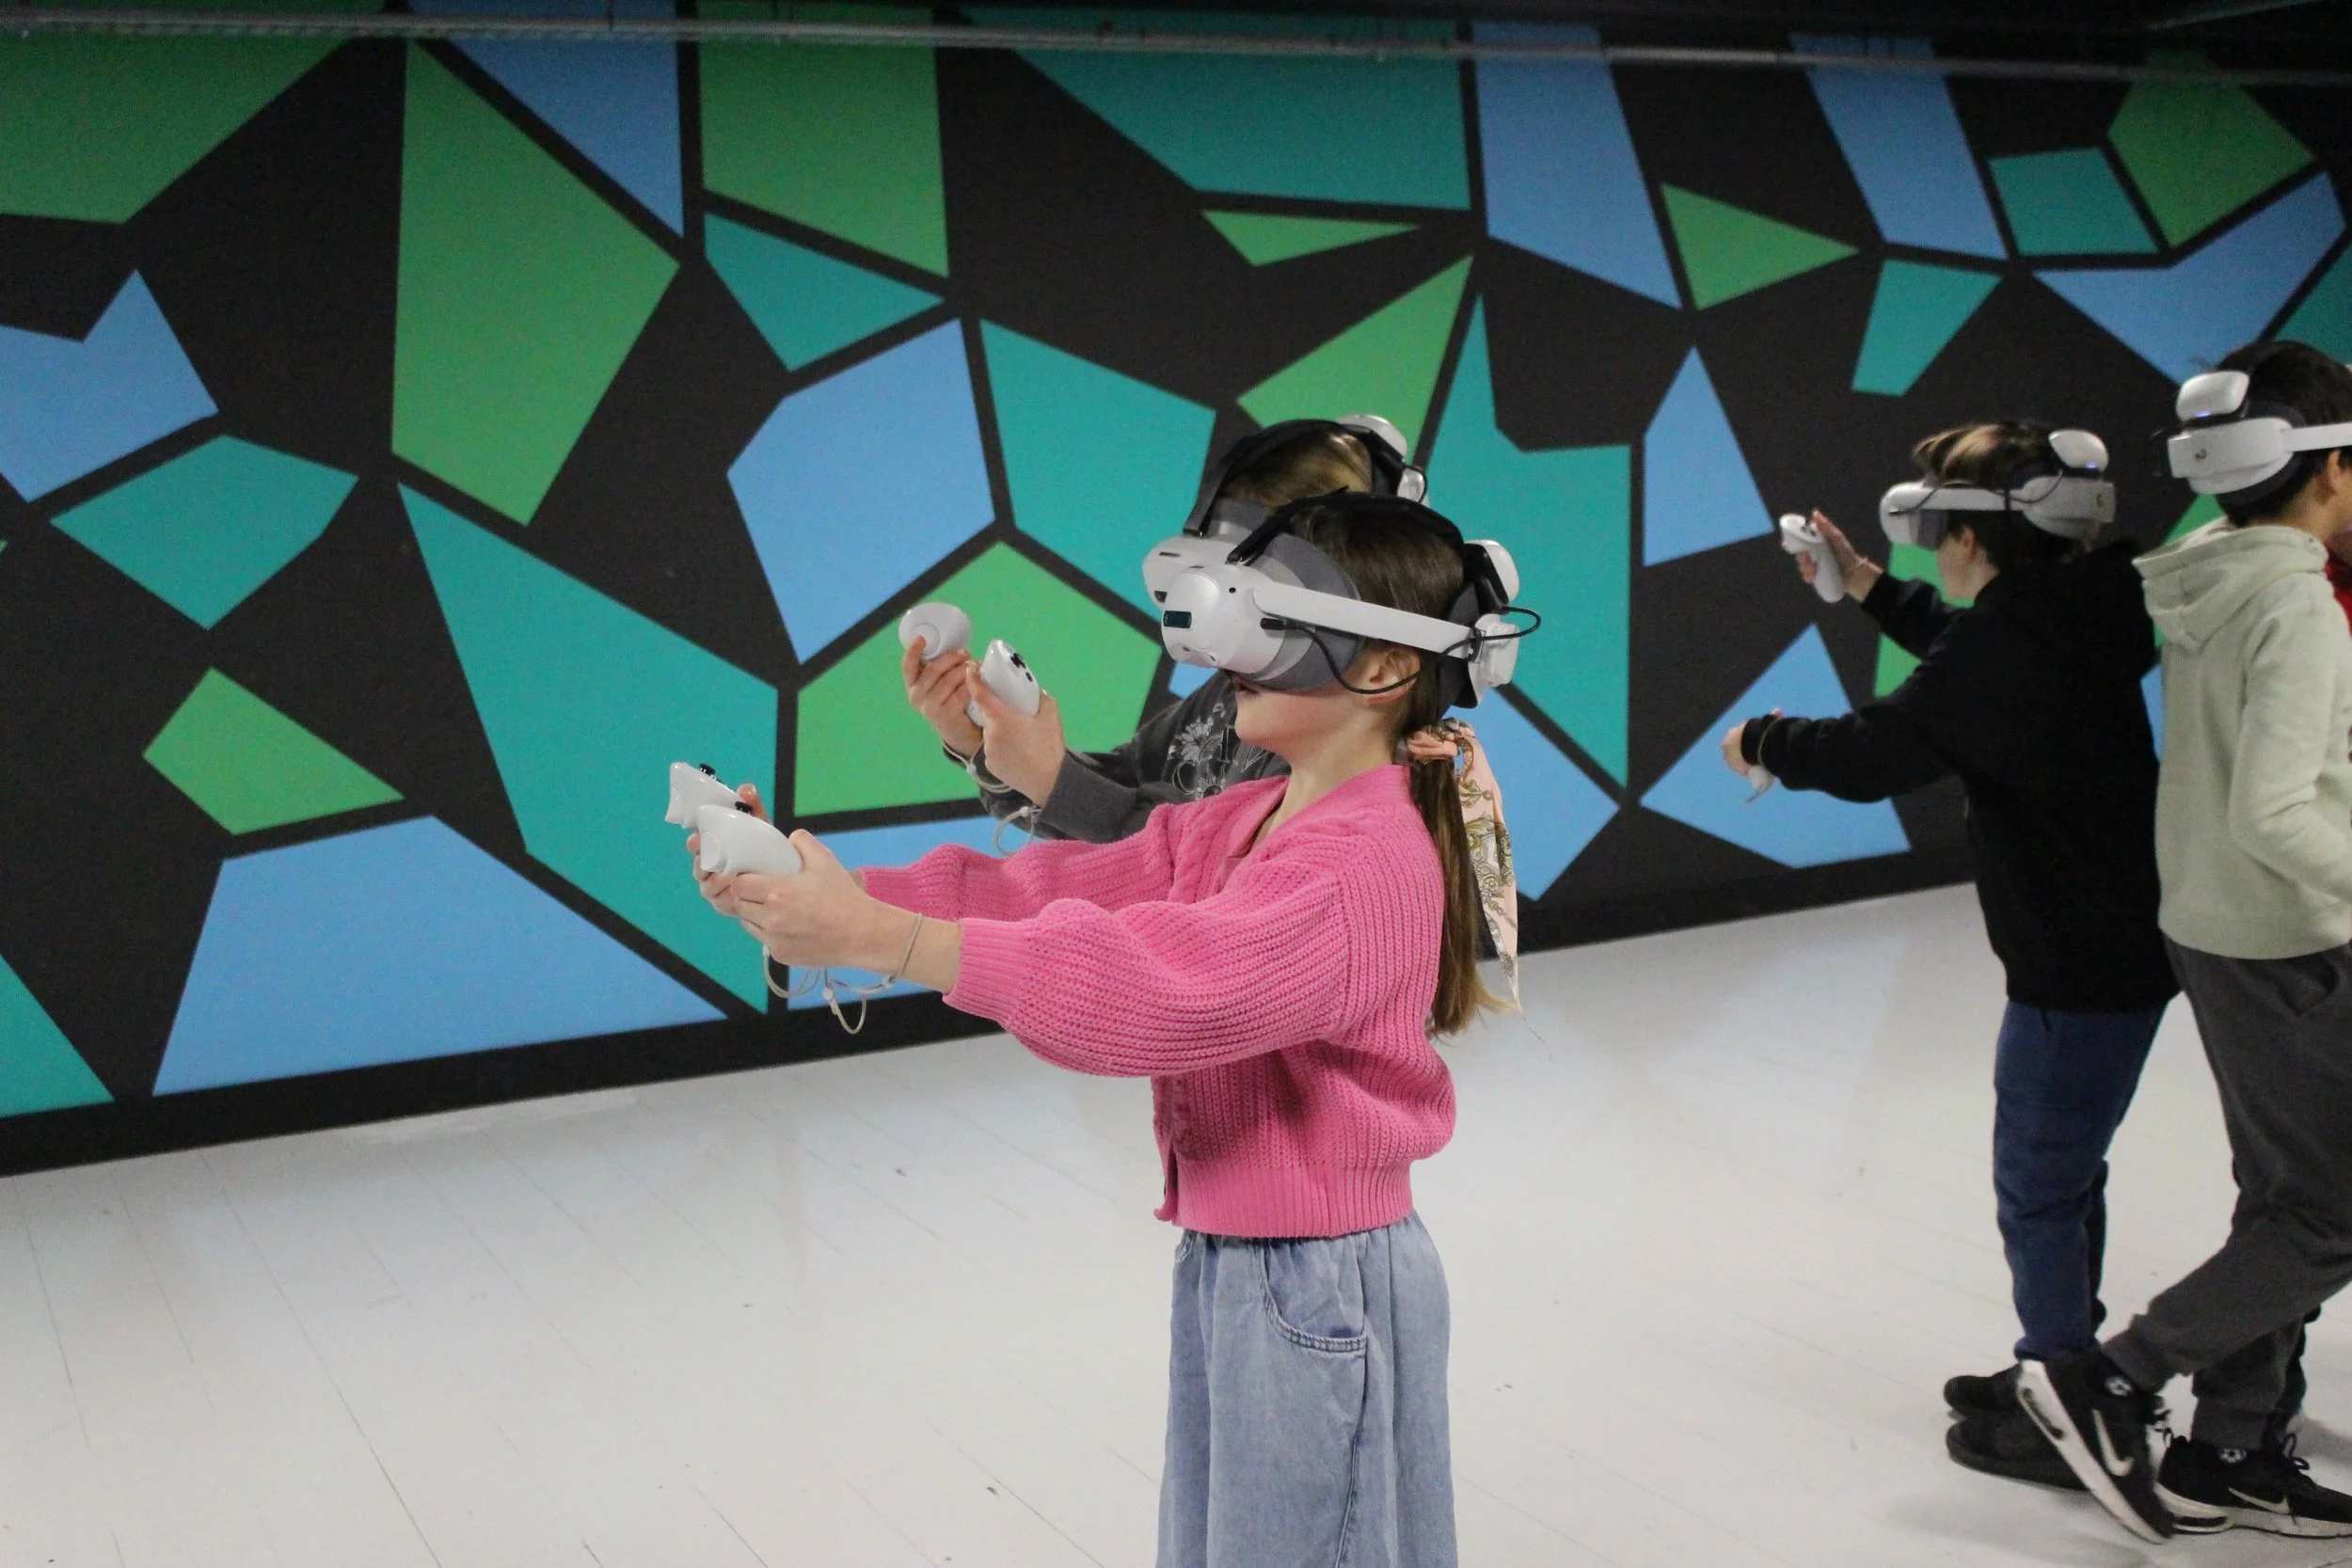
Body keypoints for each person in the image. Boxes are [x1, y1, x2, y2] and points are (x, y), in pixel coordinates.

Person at [699, 492, 1524, 1568]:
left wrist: (880, 935)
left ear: (1377, 670)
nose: (1226, 654)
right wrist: (823, 900)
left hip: (1316, 1276)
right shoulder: (1249, 815)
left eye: (1276, 620)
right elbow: (1049, 889)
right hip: (1254, 1263)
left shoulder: (1358, 865)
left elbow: (1158, 991)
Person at [1715, 422, 2178, 1490]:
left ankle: (2063, 1394)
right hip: (2106, 941)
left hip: (2074, 957)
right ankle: (2063, 1361)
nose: (1932, 553)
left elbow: (1878, 752)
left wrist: (1766, 739)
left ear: (1976, 535)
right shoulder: (2079, 611)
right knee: (2064, 1169)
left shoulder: (2012, 644)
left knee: (2038, 1179)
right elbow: (1971, 654)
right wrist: (1867, 586)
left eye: (1936, 527)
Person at [2016, 342, 2352, 1542]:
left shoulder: (2206, 567)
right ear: (2323, 474)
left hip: (2212, 929)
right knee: (2329, 1214)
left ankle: (2230, 1448)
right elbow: (2277, 810)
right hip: (2293, 938)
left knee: (2284, 1200)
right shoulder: (2298, 602)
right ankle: (2108, 1377)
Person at [901, 417, 1422, 842]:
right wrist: (981, 743)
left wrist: (1051, 779)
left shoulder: (1358, 760)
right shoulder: (1234, 694)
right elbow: (1122, 791)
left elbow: (1196, 867)